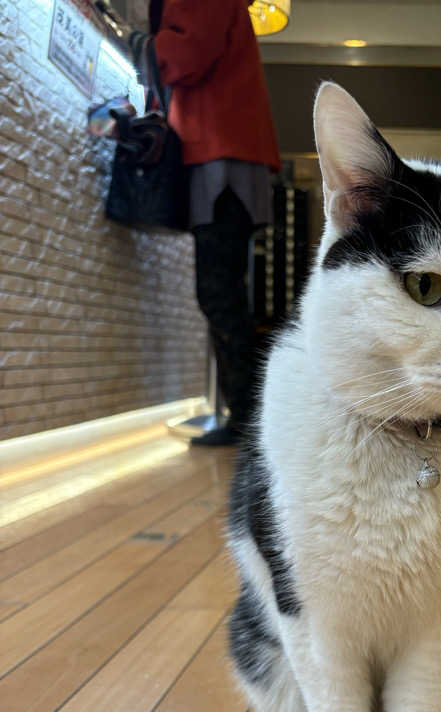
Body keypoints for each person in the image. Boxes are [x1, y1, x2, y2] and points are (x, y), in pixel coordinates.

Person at [131, 0, 281, 445]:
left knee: (219, 293)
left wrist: (138, 41)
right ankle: (250, 417)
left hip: (223, 155)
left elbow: (186, 54)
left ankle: (248, 419)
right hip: (229, 153)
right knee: (226, 292)